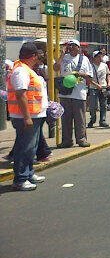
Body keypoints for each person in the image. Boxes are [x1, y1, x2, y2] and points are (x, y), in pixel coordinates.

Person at [7, 43, 48, 191]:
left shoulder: (27, 70)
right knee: (25, 148)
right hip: (26, 115)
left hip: (34, 114)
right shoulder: (21, 71)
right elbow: (20, 94)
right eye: (38, 55)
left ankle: (29, 173)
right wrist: (26, 117)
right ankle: (21, 179)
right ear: (33, 56)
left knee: (32, 147)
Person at [54, 39, 93, 148]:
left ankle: (81, 139)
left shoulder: (84, 59)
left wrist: (80, 74)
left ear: (78, 47)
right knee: (65, 119)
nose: (70, 47)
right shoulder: (64, 58)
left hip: (78, 93)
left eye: (73, 45)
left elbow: (89, 76)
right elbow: (56, 67)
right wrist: (62, 55)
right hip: (65, 93)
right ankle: (67, 141)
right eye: (69, 45)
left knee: (80, 118)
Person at [88, 50, 110, 128]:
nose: (100, 57)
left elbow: (107, 74)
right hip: (93, 88)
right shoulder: (90, 66)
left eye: (101, 56)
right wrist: (96, 85)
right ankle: (93, 119)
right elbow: (88, 78)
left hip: (103, 87)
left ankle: (102, 120)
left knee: (103, 105)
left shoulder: (104, 65)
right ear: (94, 58)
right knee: (93, 106)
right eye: (98, 56)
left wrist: (109, 83)